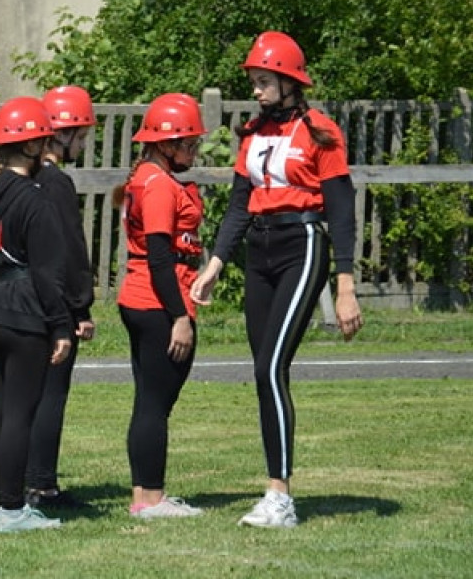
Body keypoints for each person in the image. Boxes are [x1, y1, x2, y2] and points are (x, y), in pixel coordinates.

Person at [190, 31, 364, 528]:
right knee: (266, 371)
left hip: (302, 245)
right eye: (255, 81)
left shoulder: (321, 131)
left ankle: (279, 496)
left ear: (290, 82)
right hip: (258, 252)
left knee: (269, 367)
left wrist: (346, 285)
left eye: (265, 81)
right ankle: (276, 488)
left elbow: (341, 210)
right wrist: (216, 263)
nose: (258, 90)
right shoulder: (251, 133)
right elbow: (239, 206)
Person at [0, 97, 73, 534]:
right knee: (18, 414)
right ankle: (11, 509)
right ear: (31, 148)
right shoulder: (33, 199)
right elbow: (49, 274)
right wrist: (62, 325)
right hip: (25, 309)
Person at [115, 93, 206, 519]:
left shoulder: (150, 178)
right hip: (156, 303)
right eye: (188, 144)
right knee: (154, 404)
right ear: (165, 143)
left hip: (145, 299)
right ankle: (150, 499)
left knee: (150, 401)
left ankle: (144, 494)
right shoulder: (157, 185)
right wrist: (180, 317)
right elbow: (158, 256)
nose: (193, 152)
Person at [25, 85, 97, 511]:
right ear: (62, 134)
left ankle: (20, 480)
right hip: (54, 305)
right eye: (81, 135)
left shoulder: (21, 177)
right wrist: (79, 307)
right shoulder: (57, 183)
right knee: (52, 395)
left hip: (21, 298)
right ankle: (43, 484)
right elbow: (70, 249)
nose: (83, 144)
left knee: (23, 397)